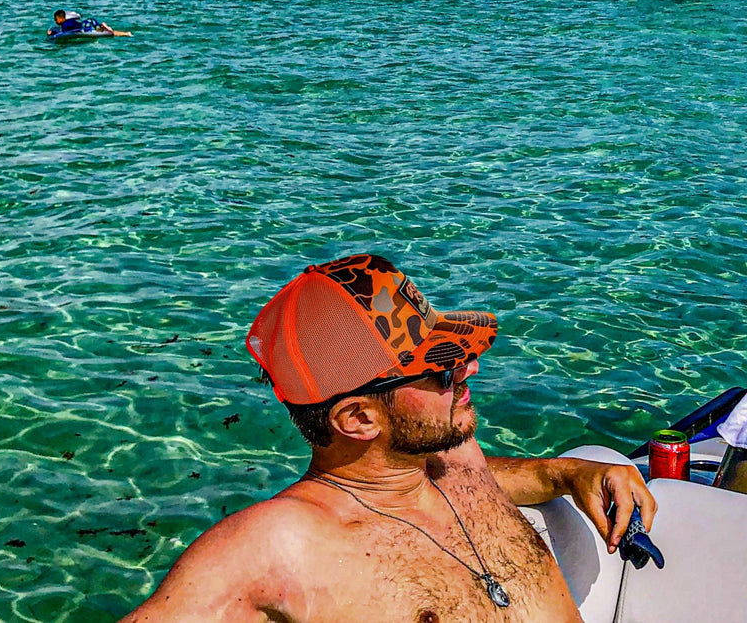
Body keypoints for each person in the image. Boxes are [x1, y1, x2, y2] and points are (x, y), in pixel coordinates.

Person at [119, 255, 655, 622]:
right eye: (442, 370)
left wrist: (566, 472)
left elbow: (487, 477)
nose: (468, 369)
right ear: (357, 419)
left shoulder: (449, 455)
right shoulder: (277, 546)